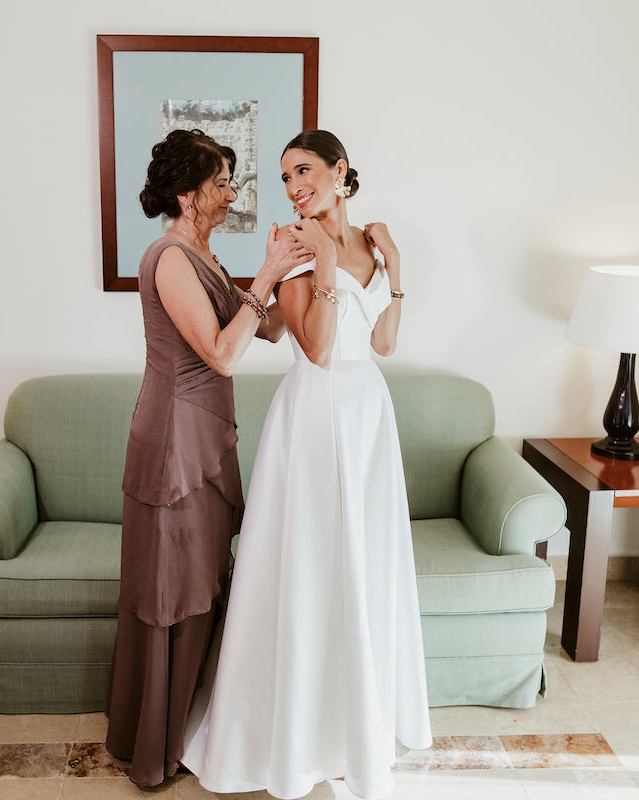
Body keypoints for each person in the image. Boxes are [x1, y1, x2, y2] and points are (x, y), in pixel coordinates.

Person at [182, 130, 432, 799]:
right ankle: (291, 734)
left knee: (362, 563)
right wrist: (320, 263)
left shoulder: (370, 245)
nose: (294, 187)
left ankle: (354, 726)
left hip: (367, 416)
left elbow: (380, 342)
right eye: (286, 177)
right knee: (312, 562)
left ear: (340, 171)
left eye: (305, 172)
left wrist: (395, 270)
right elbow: (317, 350)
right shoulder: (292, 247)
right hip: (315, 416)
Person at [105, 128, 310, 788]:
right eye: (222, 182)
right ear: (188, 193)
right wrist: (270, 274)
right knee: (173, 591)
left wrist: (299, 266)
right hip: (173, 442)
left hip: (210, 436)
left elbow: (271, 328)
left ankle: (191, 729)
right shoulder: (168, 258)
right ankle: (153, 749)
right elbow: (221, 353)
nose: (231, 193)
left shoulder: (212, 259)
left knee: (207, 586)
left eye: (230, 181)